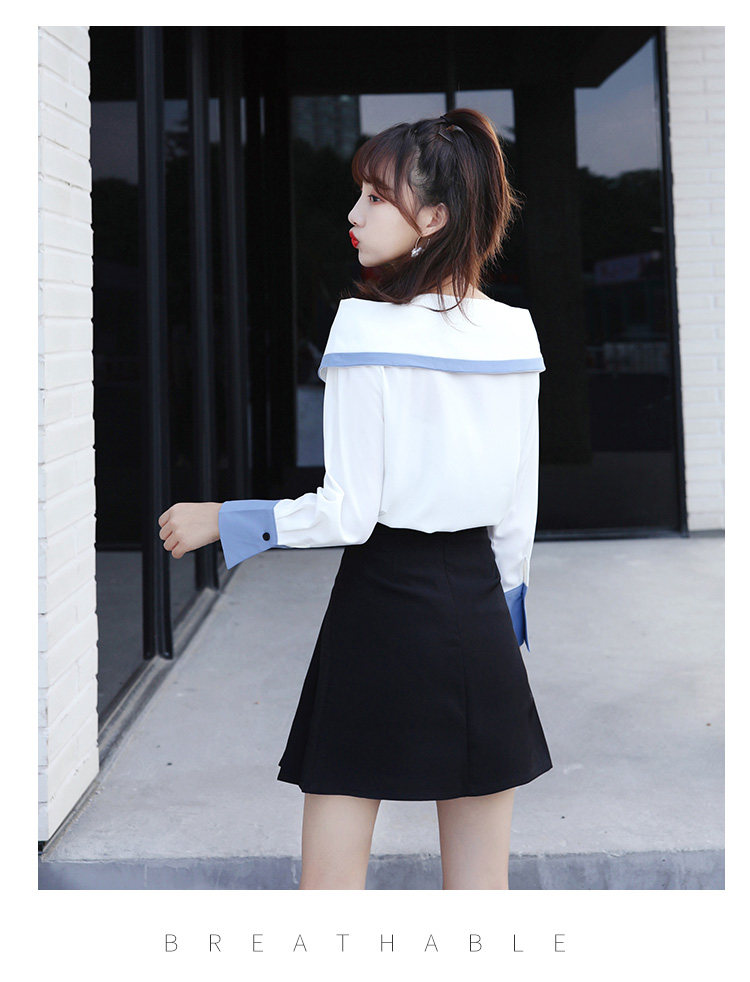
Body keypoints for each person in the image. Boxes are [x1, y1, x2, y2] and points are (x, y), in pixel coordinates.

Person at [158, 107, 553, 890]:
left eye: (376, 197)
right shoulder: (514, 333)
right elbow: (518, 512)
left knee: (330, 899)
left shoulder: (366, 328)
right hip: (478, 607)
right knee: (483, 898)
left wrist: (226, 519)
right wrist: (505, 618)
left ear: (433, 219)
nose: (355, 213)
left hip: (381, 603)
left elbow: (349, 511)